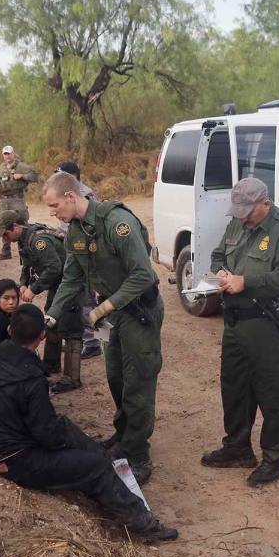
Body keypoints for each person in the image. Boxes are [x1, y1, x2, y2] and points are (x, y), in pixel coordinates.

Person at [0, 304, 178, 542]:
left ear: (9, 330)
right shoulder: (30, 378)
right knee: (95, 465)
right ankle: (143, 524)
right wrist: (78, 445)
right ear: (42, 335)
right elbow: (48, 435)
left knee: (78, 438)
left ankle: (102, 461)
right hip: (18, 460)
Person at [42, 172, 163, 485]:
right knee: (116, 377)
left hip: (137, 311)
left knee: (138, 381)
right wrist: (51, 316)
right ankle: (123, 436)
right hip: (109, 314)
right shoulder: (75, 231)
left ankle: (138, 455)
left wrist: (104, 307)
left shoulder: (116, 223)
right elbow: (71, 277)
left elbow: (142, 276)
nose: (52, 212)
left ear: (71, 196)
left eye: (55, 205)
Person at [200, 178, 279, 485]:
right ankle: (237, 447)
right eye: (239, 211)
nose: (243, 218)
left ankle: (275, 458)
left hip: (269, 325)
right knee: (234, 386)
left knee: (271, 391)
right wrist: (220, 271)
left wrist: (246, 282)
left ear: (266, 203)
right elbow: (219, 254)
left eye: (249, 211)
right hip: (236, 323)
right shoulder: (237, 223)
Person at [0, 209, 84, 392]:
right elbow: (26, 265)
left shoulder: (38, 241)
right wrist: (23, 285)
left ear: (16, 226)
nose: (4, 237)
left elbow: (54, 268)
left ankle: (72, 378)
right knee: (51, 318)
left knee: (71, 325)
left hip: (71, 282)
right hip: (58, 284)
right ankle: (51, 366)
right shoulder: (23, 240)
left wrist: (34, 290)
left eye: (5, 233)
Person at [54, 161, 102, 360]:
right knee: (74, 295)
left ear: (71, 176)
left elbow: (91, 228)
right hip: (73, 248)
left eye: (61, 176)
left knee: (86, 298)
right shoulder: (67, 193)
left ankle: (92, 343)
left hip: (85, 252)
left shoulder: (85, 195)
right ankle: (83, 338)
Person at [0, 145, 38, 260]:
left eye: (9, 153)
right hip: (5, 200)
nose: (7, 156)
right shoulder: (2, 167)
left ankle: (26, 250)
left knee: (21, 223)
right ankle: (6, 252)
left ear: (13, 153)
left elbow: (34, 176)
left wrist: (22, 176)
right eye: (5, 154)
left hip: (17, 199)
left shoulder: (21, 166)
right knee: (3, 223)